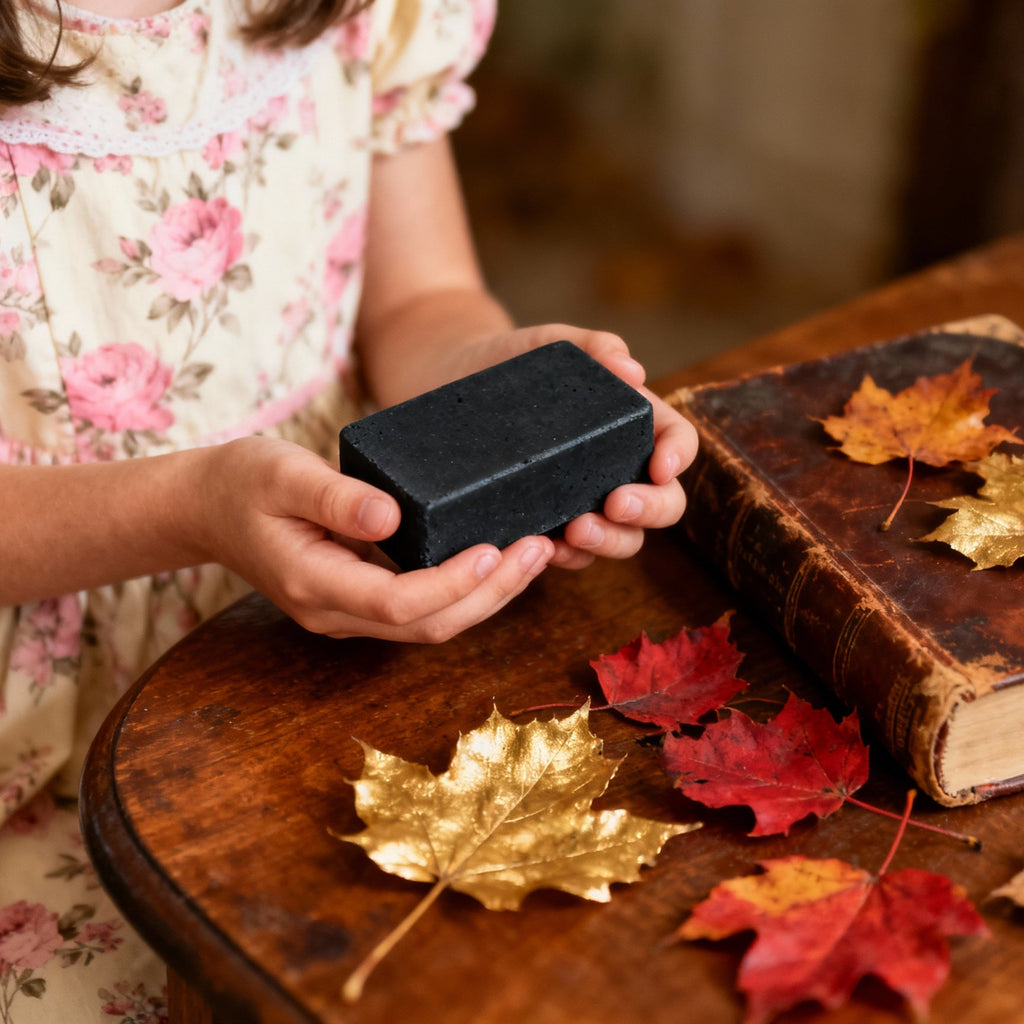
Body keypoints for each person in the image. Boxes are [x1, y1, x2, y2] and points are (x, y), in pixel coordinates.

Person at [0, 0, 698, 1018]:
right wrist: (191, 504)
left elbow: (421, 303)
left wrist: (493, 389)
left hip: (326, 654)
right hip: (40, 731)